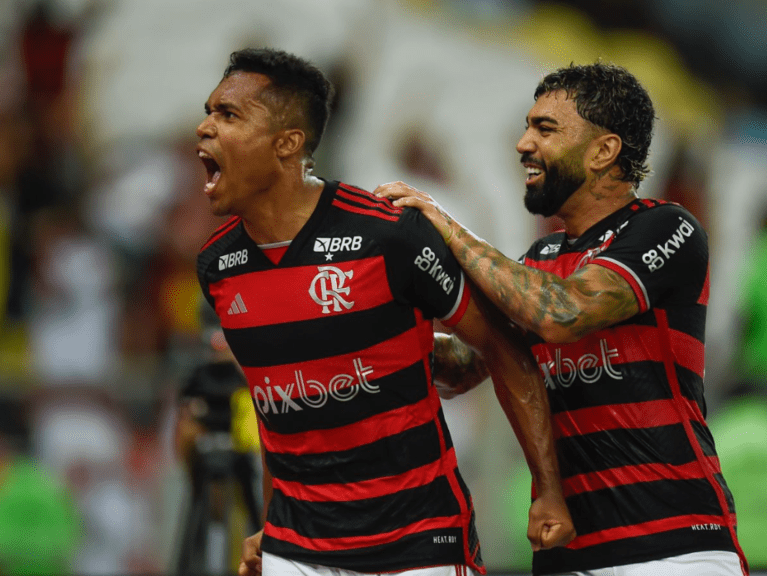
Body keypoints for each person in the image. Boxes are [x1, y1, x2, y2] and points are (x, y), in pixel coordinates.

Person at [193, 48, 574, 576]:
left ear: (287, 143)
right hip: (297, 548)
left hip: (415, 544)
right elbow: (274, 409)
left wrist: (548, 489)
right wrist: (271, 524)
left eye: (228, 115)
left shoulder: (389, 233)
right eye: (209, 112)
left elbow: (500, 344)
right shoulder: (218, 266)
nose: (204, 127)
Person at [376, 62, 748, 576]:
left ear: (603, 151)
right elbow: (464, 365)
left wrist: (445, 225)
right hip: (567, 548)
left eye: (545, 129)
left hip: (673, 544)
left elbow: (563, 312)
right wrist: (362, 336)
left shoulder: (667, 228)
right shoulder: (540, 260)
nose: (523, 144)